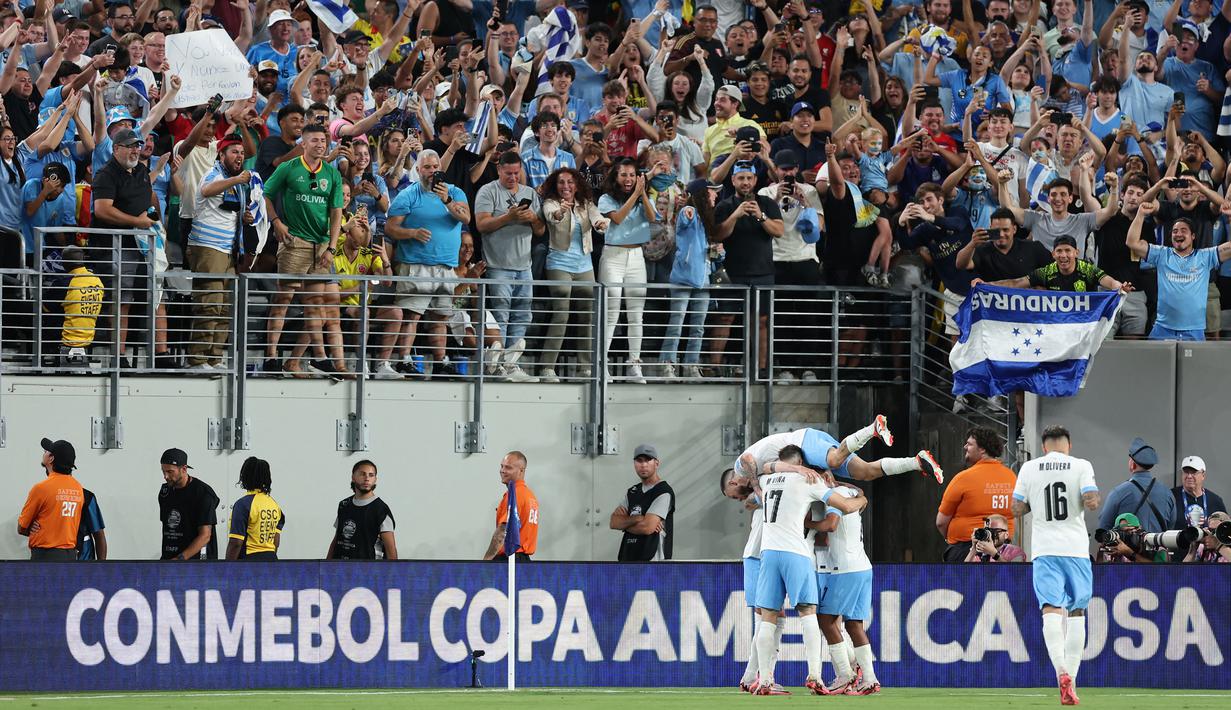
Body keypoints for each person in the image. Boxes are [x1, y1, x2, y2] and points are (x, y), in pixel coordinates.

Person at [752, 445, 867, 696]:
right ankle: (815, 675)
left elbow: (763, 469)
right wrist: (862, 498)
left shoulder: (767, 478)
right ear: (803, 462)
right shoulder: (809, 480)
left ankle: (764, 681)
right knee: (808, 613)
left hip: (768, 553)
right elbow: (846, 507)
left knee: (768, 616)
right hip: (796, 553)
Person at [1011, 425, 1101, 707]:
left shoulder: (1029, 468)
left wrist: (1036, 505)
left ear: (1044, 446)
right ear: (1069, 445)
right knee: (1077, 612)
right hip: (1075, 550)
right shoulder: (1081, 465)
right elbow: (1091, 501)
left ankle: (1060, 670)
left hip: (1045, 550)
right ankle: (1071, 680)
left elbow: (1016, 508)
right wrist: (1089, 500)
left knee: (1050, 610)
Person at [262, 123, 345, 376]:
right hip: (294, 242)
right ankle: (271, 356)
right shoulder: (289, 167)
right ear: (303, 143)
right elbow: (264, 194)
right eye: (315, 140)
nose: (320, 144)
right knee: (283, 301)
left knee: (315, 302)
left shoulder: (332, 174)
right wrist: (276, 222)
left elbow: (336, 212)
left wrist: (331, 246)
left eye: (324, 140)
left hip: (321, 246)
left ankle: (319, 356)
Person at [385, 150, 472, 377]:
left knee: (441, 317)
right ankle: (404, 359)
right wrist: (412, 233)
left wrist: (447, 200)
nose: (432, 171)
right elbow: (390, 228)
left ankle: (440, 362)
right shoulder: (408, 194)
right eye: (427, 167)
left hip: (445, 266)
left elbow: (465, 218)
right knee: (412, 315)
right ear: (418, 170)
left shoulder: (454, 191)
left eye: (435, 166)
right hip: (416, 264)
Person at [474, 152, 545, 377]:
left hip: (524, 265)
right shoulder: (488, 191)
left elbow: (541, 230)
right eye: (508, 173)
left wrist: (533, 218)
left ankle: (511, 363)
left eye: (516, 173)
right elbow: (481, 225)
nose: (513, 177)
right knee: (501, 315)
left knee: (523, 315)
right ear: (499, 170)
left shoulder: (530, 193)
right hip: (498, 265)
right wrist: (508, 217)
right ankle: (496, 366)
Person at [710, 161, 782, 377]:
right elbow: (717, 235)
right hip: (731, 272)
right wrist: (735, 215)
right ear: (733, 181)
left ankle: (760, 369)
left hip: (762, 272)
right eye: (741, 178)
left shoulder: (767, 203)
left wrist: (760, 216)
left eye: (749, 178)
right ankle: (714, 367)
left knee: (761, 321)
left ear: (755, 181)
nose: (745, 182)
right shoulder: (724, 205)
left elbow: (778, 230)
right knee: (724, 317)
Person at [813, 469, 880, 695]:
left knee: (826, 620)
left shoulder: (836, 495)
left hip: (845, 569)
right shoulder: (850, 490)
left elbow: (831, 524)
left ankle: (844, 675)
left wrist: (808, 524)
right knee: (853, 625)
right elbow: (862, 495)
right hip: (863, 566)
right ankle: (869, 679)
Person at [186, 136, 251, 372]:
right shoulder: (213, 174)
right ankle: (197, 359)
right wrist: (236, 178)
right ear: (221, 155)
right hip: (208, 248)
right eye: (234, 152)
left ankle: (213, 358)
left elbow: (227, 209)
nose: (239, 156)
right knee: (209, 303)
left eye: (242, 153)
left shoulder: (234, 183)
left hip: (228, 250)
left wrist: (244, 216)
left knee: (224, 307)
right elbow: (206, 189)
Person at [1126, 200, 1231, 341]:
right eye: (1175, 231)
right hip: (1163, 329)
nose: (1178, 234)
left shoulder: (1206, 256)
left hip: (1194, 331)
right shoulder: (1162, 254)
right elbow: (1131, 242)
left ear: (1193, 236)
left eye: (1183, 230)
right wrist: (1140, 214)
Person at [735, 416, 944, 485]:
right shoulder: (763, 474)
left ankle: (872, 429)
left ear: (732, 483)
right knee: (865, 473)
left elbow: (748, 459)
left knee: (834, 460)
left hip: (805, 441)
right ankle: (917, 462)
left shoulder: (741, 470)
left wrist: (754, 485)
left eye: (735, 495)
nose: (739, 498)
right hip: (808, 453)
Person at [597, 159, 658, 383]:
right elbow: (619, 219)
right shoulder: (606, 199)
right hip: (613, 256)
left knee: (636, 315)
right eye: (624, 175)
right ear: (616, 177)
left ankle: (634, 365)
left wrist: (642, 194)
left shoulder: (643, 198)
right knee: (611, 312)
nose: (628, 179)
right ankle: (602, 365)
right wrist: (636, 195)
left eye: (632, 175)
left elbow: (652, 218)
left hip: (637, 257)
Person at [936, 427, 1018, 562]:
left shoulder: (963, 478)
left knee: (963, 583)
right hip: (1004, 552)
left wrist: (952, 539)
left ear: (982, 449)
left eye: (969, 444)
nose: (965, 447)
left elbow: (941, 522)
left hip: (966, 549)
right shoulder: (1012, 477)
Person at [18, 437, 84, 560]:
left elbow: (22, 527)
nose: (44, 453)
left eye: (46, 451)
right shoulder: (78, 489)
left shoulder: (41, 488)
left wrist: (30, 528)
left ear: (51, 458)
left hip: (46, 556)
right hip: (70, 556)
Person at [1098, 437, 1177, 535]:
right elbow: (1171, 528)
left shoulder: (1118, 492)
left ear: (1132, 464)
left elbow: (1104, 529)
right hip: (1159, 548)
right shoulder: (1167, 493)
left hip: (1127, 550)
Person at [610, 444, 674, 561]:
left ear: (656, 463)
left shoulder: (663, 492)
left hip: (653, 561)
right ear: (634, 464)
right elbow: (614, 522)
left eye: (648, 460)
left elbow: (647, 527)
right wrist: (638, 518)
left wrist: (625, 524)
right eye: (639, 461)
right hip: (628, 557)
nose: (643, 465)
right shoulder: (633, 492)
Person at [327, 459, 398, 560]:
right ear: (353, 477)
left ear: (375, 479)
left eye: (371, 475)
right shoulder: (344, 505)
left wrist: (391, 574)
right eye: (362, 474)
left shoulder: (381, 510)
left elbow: (391, 551)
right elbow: (337, 539)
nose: (367, 478)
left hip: (369, 571)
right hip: (341, 569)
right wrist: (327, 566)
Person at [158, 448, 220, 560]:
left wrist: (180, 559)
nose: (165, 476)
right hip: (169, 560)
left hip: (197, 562)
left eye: (170, 472)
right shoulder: (165, 492)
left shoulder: (203, 493)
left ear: (184, 469)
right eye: (163, 471)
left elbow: (205, 535)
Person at [482, 451, 539, 561]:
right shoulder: (530, 496)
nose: (502, 470)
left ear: (521, 471)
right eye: (502, 466)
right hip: (524, 561)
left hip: (509, 560)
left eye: (508, 468)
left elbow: (502, 532)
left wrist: (486, 561)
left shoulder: (515, 495)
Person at [226, 457, 285, 561]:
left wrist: (227, 569)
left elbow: (236, 543)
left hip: (249, 562)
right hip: (272, 560)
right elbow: (276, 541)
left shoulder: (242, 505)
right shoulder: (274, 504)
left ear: (245, 476)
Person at [1172, 456, 1227, 528]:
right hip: (1178, 539)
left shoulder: (1215, 501)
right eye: (1186, 472)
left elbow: (1226, 531)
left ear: (1203, 475)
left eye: (1193, 472)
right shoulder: (1171, 497)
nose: (1189, 476)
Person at [962, 514, 1027, 563]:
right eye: (988, 531)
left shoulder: (1015, 551)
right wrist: (973, 549)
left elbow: (1016, 574)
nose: (991, 535)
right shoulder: (980, 552)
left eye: (996, 531)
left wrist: (994, 554)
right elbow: (963, 574)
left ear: (1006, 535)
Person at [76, 486, 107, 561]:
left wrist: (101, 566)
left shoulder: (86, 496)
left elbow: (99, 535)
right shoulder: (46, 495)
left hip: (84, 559)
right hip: (56, 561)